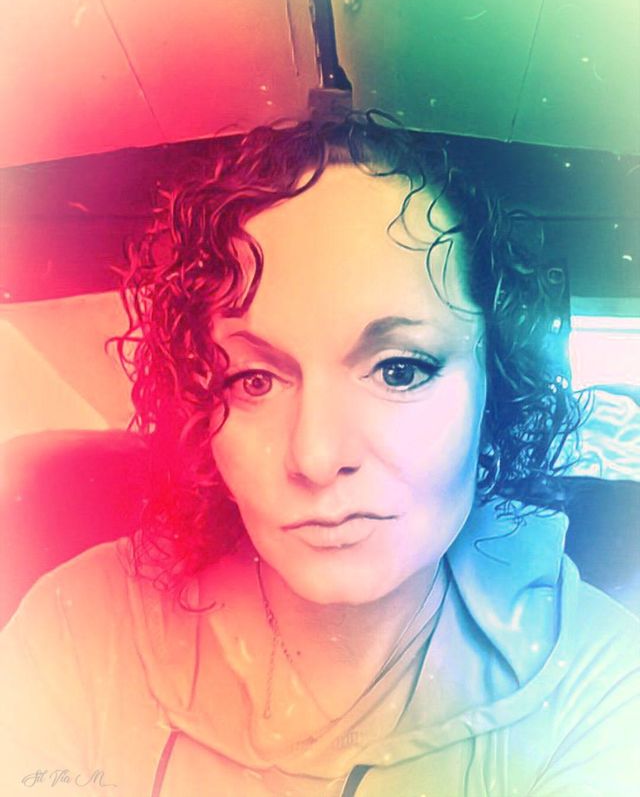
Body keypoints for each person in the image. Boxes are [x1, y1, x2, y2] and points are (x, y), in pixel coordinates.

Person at [1, 115, 638, 797]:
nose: (315, 455)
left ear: (496, 385)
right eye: (253, 379)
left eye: (399, 370)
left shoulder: (601, 681)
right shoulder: (77, 626)